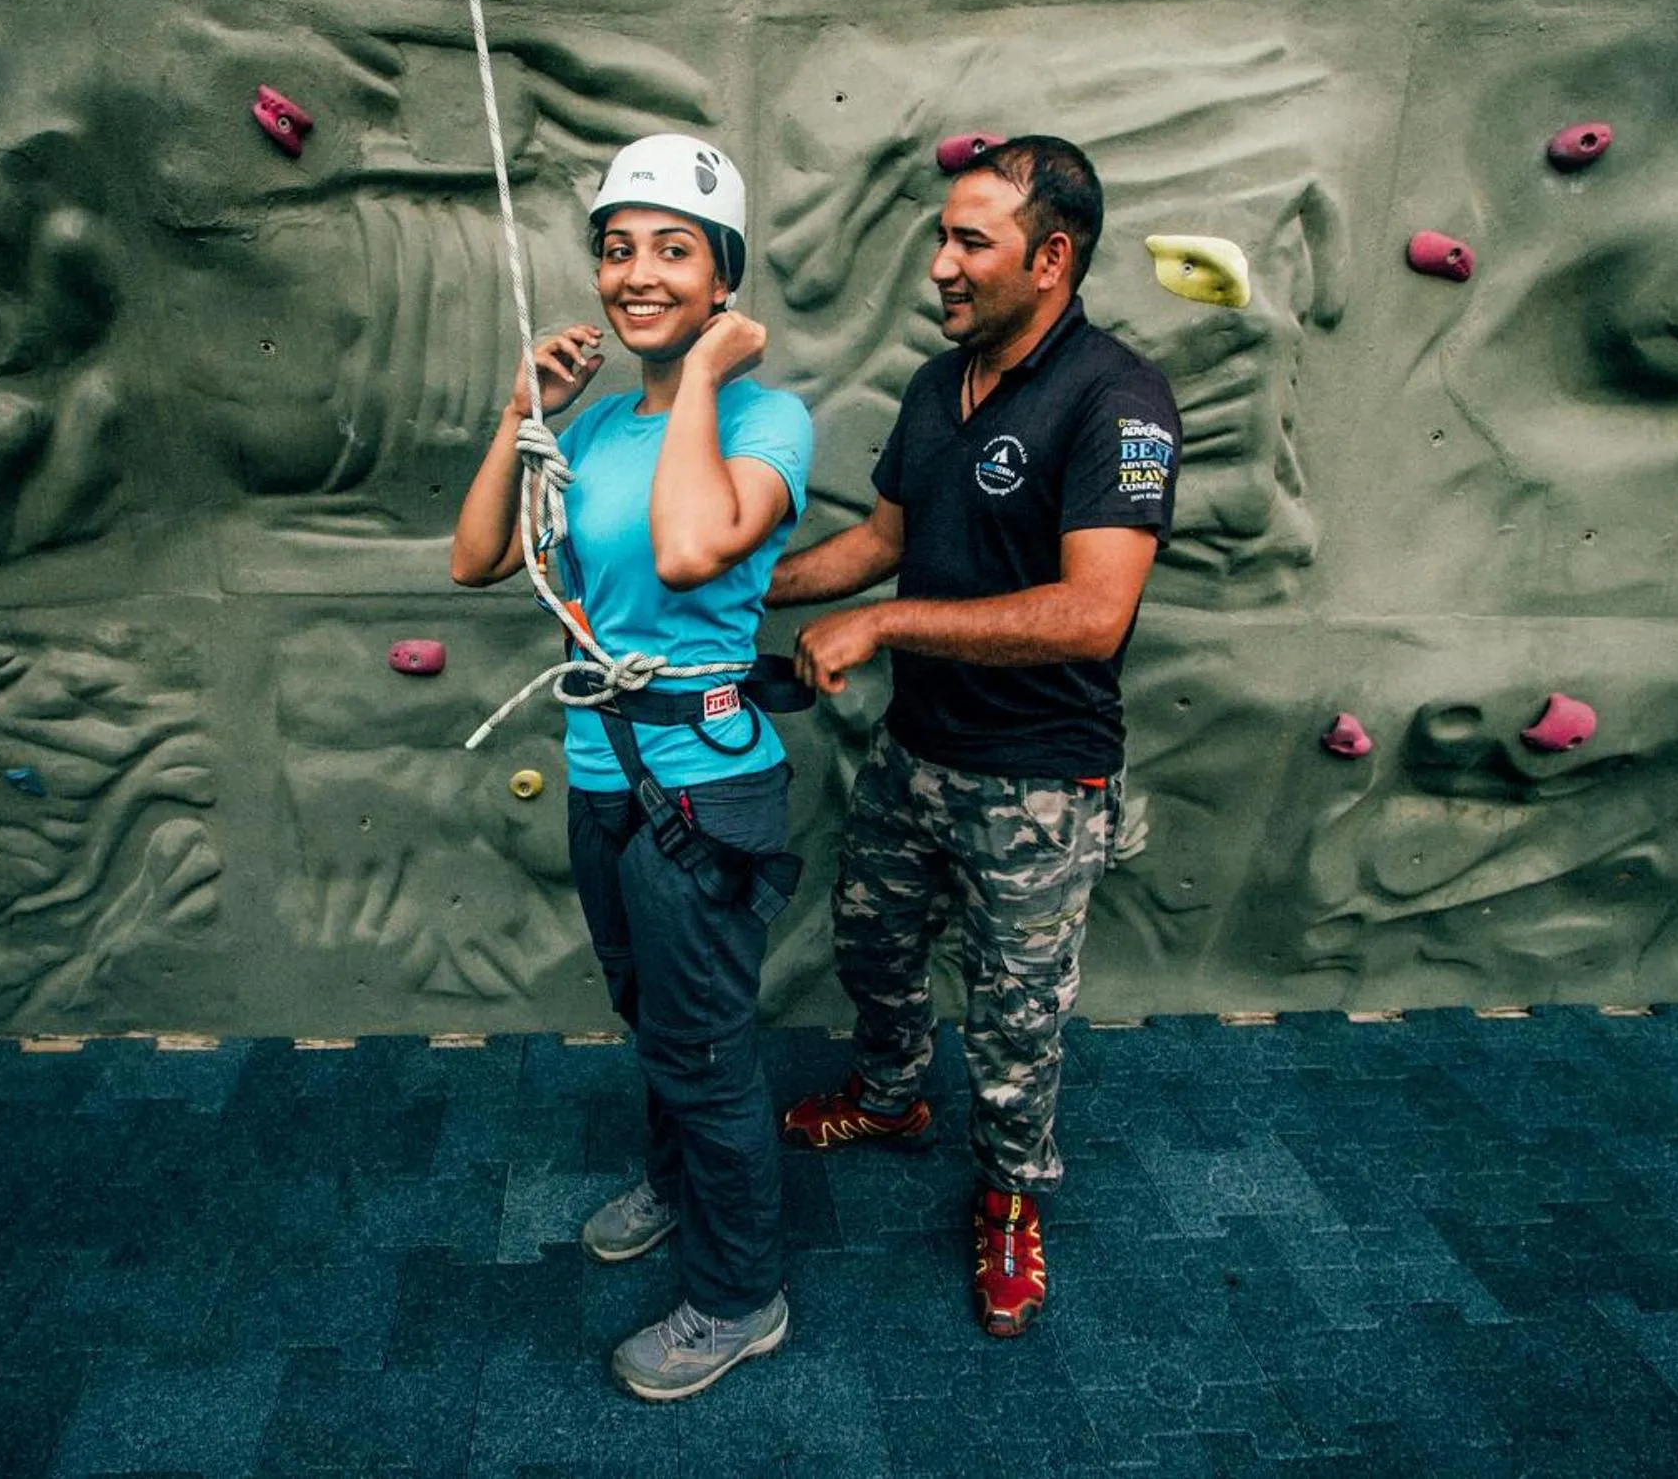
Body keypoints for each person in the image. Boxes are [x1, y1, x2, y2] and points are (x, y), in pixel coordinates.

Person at [765, 135, 1180, 1339]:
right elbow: (880, 540)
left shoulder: (1115, 397)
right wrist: (740, 593)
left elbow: (1093, 612)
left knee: (1013, 1024)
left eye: (969, 242)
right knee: (871, 944)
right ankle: (893, 1095)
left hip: (1040, 782)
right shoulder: (935, 385)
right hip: (917, 755)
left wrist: (884, 625)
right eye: (940, 237)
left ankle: (1008, 1199)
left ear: (1050, 258)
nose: (939, 265)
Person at [450, 133, 814, 1400]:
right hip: (600, 767)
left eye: (674, 250)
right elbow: (477, 558)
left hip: (704, 783)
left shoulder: (771, 416)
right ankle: (676, 1183)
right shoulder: (593, 421)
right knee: (645, 1012)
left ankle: (738, 1297)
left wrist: (708, 371)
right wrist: (521, 415)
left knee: (707, 1048)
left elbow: (683, 548)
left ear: (723, 277)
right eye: (617, 249)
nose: (637, 274)